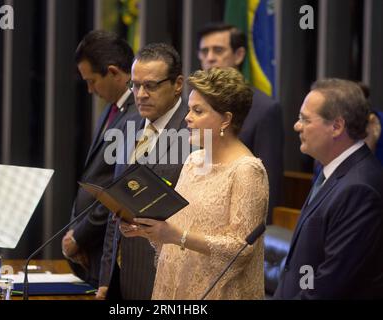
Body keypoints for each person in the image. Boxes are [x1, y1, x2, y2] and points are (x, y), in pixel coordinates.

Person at [122, 67, 269, 299]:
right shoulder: (193, 160)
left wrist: (175, 236)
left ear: (226, 119)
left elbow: (241, 249)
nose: (188, 118)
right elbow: (174, 231)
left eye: (198, 111)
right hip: (173, 286)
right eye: (189, 109)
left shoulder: (247, 171)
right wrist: (148, 230)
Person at [274, 79, 383, 299]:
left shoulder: (359, 189)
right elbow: (304, 266)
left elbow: (329, 284)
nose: (297, 126)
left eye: (305, 119)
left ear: (337, 126)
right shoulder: (332, 170)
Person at [97, 43, 190, 300]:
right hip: (121, 274)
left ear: (178, 84)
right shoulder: (128, 125)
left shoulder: (194, 133)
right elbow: (115, 205)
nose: (140, 94)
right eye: (135, 85)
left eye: (151, 85)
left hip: (165, 277)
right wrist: (106, 278)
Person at [60, 30, 137, 288]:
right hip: (88, 251)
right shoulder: (111, 109)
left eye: (92, 81)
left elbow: (119, 189)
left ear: (114, 72)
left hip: (108, 250)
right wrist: (74, 232)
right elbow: (92, 177)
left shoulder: (137, 116)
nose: (90, 89)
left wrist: (80, 236)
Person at [197, 22, 283, 224]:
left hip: (237, 224)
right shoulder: (193, 105)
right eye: (204, 51)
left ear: (239, 55)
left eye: (218, 50)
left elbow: (268, 184)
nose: (209, 57)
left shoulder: (264, 109)